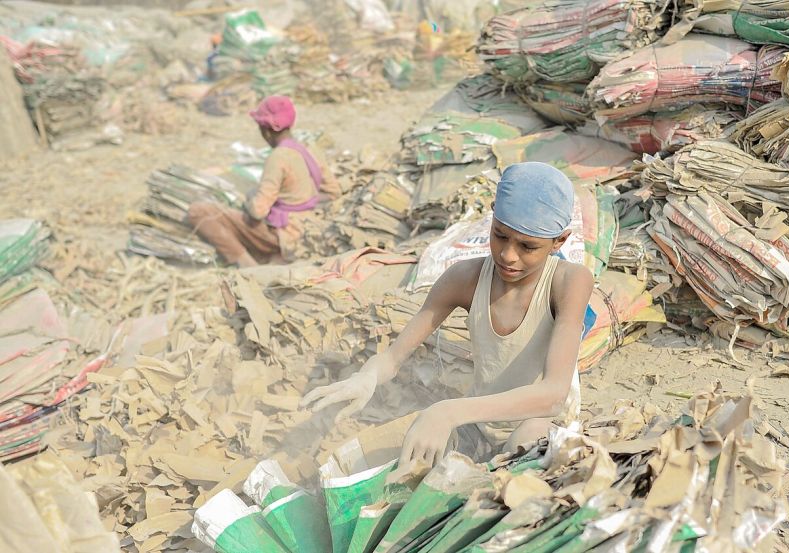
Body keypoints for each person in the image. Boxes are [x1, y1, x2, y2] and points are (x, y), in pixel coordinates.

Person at [301, 162, 594, 467]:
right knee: (396, 463)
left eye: (527, 246)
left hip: (542, 427)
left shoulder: (568, 281)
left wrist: (448, 411)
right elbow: (392, 358)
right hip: (477, 424)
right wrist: (366, 377)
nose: (509, 255)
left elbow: (553, 395)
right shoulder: (464, 279)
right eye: (500, 236)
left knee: (523, 446)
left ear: (559, 241)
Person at [187, 96, 341, 267]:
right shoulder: (309, 149)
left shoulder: (278, 157)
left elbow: (258, 212)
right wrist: (304, 200)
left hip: (286, 234)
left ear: (265, 130)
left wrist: (250, 198)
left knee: (198, 211)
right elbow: (333, 192)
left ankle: (247, 265)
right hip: (310, 227)